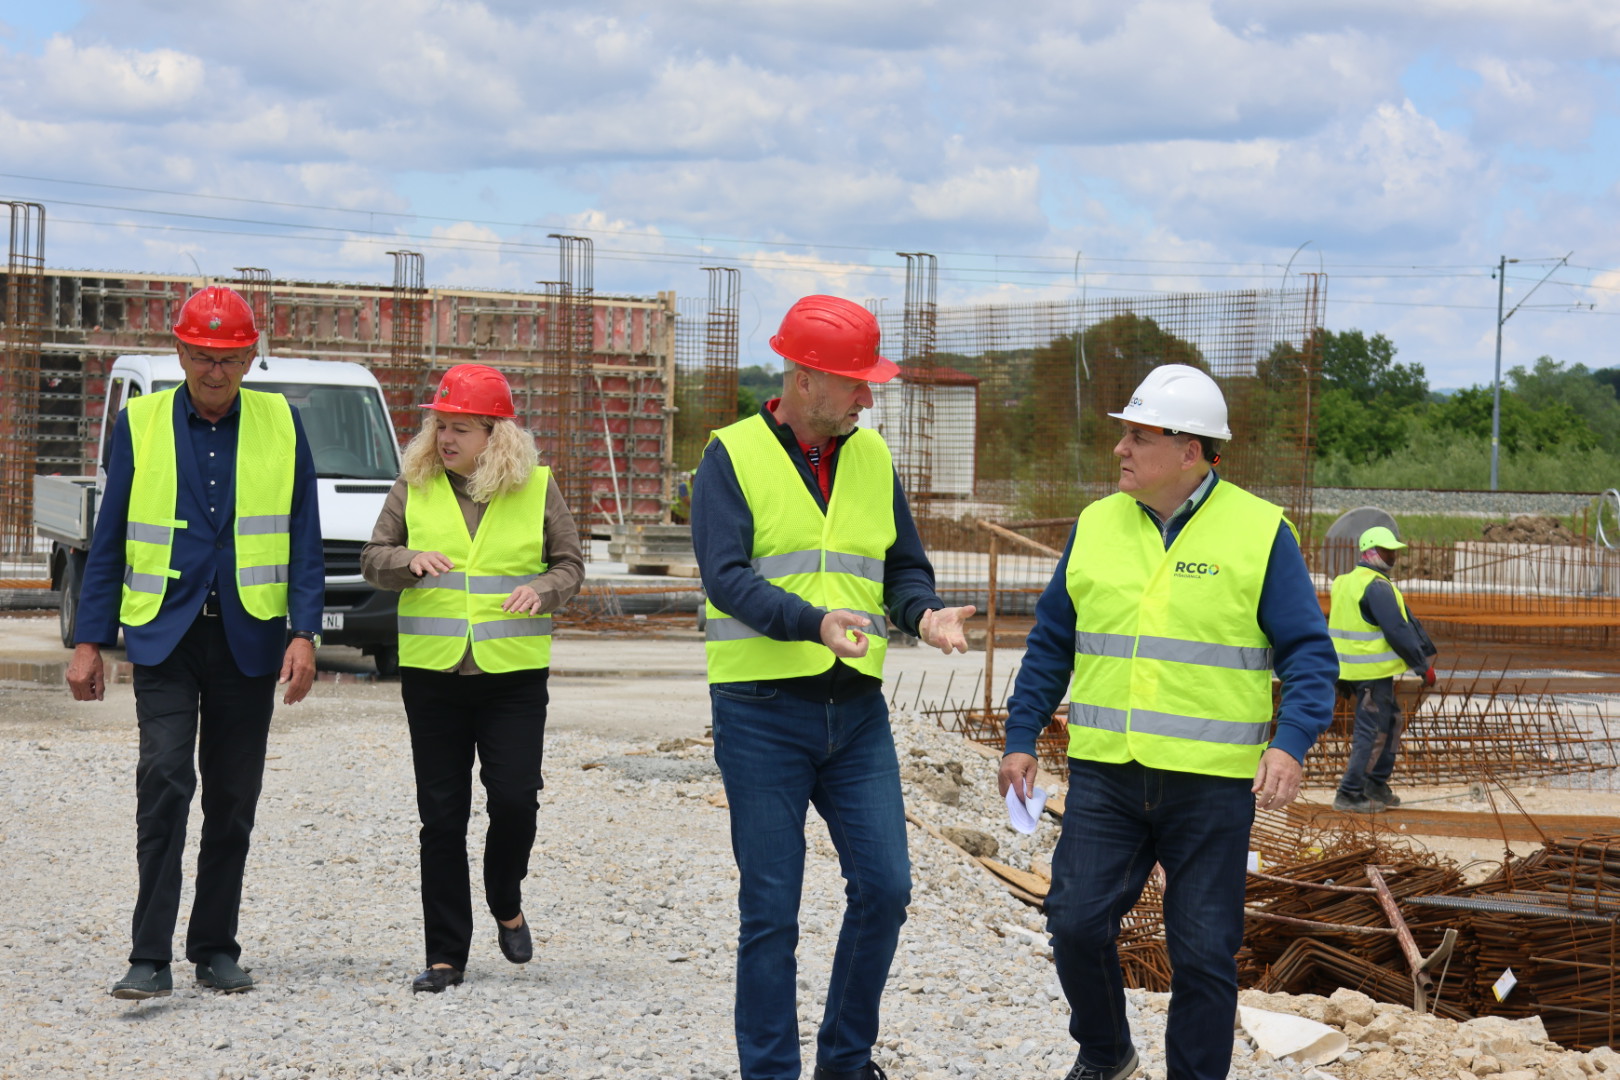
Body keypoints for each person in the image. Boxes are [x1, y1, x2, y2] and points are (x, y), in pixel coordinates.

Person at [997, 364, 1337, 1080]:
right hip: (1108, 774)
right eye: (1123, 434)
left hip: (1210, 786)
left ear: (1190, 450)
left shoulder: (1259, 531)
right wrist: (1022, 736)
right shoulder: (1096, 524)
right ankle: (1107, 1054)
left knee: (1204, 954)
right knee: (1075, 922)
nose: (1120, 448)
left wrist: (1290, 743)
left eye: (1138, 436)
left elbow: (1308, 652)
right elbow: (1052, 642)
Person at [691, 294, 977, 1080]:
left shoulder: (873, 457)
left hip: (854, 712)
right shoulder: (730, 456)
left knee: (886, 889)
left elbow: (901, 569)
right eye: (856, 383)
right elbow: (726, 579)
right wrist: (811, 622)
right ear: (806, 378)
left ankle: (844, 1064)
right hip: (760, 712)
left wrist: (923, 615)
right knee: (771, 912)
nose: (867, 399)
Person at [67, 286, 324, 999]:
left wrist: (305, 631)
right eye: (203, 356)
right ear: (180, 352)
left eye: (230, 358)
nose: (216, 371)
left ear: (251, 356)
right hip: (166, 636)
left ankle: (214, 947)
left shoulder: (282, 423)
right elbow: (110, 539)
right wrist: (90, 641)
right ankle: (149, 956)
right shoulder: (140, 422)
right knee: (164, 780)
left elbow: (304, 534)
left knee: (233, 798)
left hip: (249, 637)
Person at [361, 364, 583, 993]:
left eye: (460, 427)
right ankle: (444, 955)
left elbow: (570, 565)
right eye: (440, 425)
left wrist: (542, 590)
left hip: (512, 675)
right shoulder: (414, 484)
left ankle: (504, 895)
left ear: (495, 434)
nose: (445, 438)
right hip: (433, 676)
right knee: (441, 818)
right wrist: (407, 560)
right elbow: (373, 558)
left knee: (514, 800)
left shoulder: (536, 488)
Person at [1328, 525, 1438, 814]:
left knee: (1390, 722)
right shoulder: (1375, 586)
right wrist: (1421, 666)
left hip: (1353, 671)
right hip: (1370, 673)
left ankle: (1374, 784)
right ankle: (1349, 793)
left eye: (1393, 551)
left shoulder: (1345, 582)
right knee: (1374, 731)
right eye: (1387, 551)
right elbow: (1397, 629)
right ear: (1370, 551)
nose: (1392, 556)